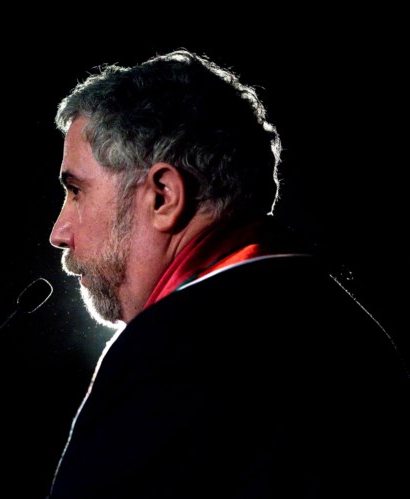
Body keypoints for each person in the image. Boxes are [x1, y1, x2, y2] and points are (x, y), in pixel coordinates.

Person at [46, 50, 409, 498]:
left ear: (163, 197)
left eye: (76, 190)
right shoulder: (350, 327)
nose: (59, 233)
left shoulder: (170, 351)